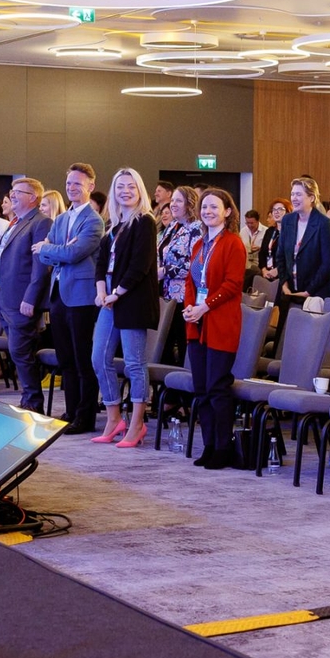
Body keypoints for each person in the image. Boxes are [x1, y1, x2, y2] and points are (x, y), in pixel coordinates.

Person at [91, 167, 159, 448]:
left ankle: (137, 424)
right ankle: (114, 418)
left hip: (131, 299)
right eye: (120, 187)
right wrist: (101, 291)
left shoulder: (145, 222)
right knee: (99, 358)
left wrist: (117, 293)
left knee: (134, 363)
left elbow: (140, 265)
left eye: (131, 186)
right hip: (109, 299)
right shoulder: (114, 225)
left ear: (140, 190)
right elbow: (101, 263)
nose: (125, 191)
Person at [35, 164, 106, 432]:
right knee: (65, 358)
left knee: (82, 358)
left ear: (90, 186)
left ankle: (85, 417)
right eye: (69, 183)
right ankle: (71, 410)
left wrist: (52, 249)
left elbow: (74, 253)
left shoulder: (93, 220)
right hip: (59, 294)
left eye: (78, 183)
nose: (72, 188)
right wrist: (56, 250)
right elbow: (44, 255)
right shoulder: (62, 219)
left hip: (82, 296)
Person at [182, 188, 248, 468]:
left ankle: (223, 447)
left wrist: (205, 306)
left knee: (217, 387)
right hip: (197, 323)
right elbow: (190, 281)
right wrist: (190, 307)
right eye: (204, 207)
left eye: (214, 207)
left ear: (227, 211)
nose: (208, 211)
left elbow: (233, 284)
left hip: (220, 322)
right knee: (201, 389)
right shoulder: (200, 244)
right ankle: (209, 444)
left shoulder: (233, 243)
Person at [0, 178, 53, 410]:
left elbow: (41, 266)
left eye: (18, 192)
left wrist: (31, 297)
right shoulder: (16, 222)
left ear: (33, 197)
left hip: (21, 300)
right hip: (4, 298)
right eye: (12, 191)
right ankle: (28, 399)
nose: (12, 195)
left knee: (21, 351)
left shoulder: (41, 222)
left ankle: (33, 402)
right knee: (17, 352)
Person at [273, 176, 330, 317]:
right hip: (289, 291)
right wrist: (284, 283)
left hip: (316, 293)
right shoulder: (287, 220)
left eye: (298, 194)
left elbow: (328, 263)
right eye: (292, 194)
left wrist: (309, 290)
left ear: (312, 198)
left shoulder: (323, 223)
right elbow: (280, 255)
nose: (294, 198)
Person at [157, 186, 201, 365]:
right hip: (166, 294)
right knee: (164, 344)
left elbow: (195, 265)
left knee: (182, 343)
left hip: (184, 295)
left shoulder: (196, 228)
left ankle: (183, 380)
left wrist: (165, 271)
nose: (173, 204)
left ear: (189, 204)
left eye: (179, 201)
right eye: (172, 200)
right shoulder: (172, 226)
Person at [255, 199, 287, 277]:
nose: (276, 212)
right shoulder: (270, 231)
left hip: (284, 274)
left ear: (288, 212)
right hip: (267, 273)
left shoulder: (292, 233)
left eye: (280, 209)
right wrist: (264, 270)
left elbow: (292, 257)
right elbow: (262, 253)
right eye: (274, 210)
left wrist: (278, 270)